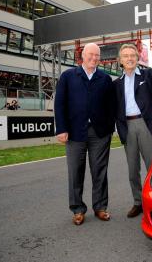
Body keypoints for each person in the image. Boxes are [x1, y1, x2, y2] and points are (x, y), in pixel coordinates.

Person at [54, 43, 116, 225]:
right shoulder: (68, 76)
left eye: (97, 55)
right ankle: (78, 209)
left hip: (100, 133)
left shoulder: (105, 79)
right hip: (74, 132)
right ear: (82, 55)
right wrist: (61, 129)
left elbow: (111, 106)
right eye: (91, 54)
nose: (94, 58)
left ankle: (101, 207)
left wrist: (109, 128)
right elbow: (60, 104)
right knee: (75, 172)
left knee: (100, 171)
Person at [114, 35, 152, 218]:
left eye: (132, 55)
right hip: (127, 127)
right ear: (120, 60)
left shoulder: (147, 75)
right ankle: (138, 202)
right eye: (125, 56)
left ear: (137, 58)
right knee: (132, 169)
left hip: (145, 125)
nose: (129, 58)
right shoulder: (116, 84)